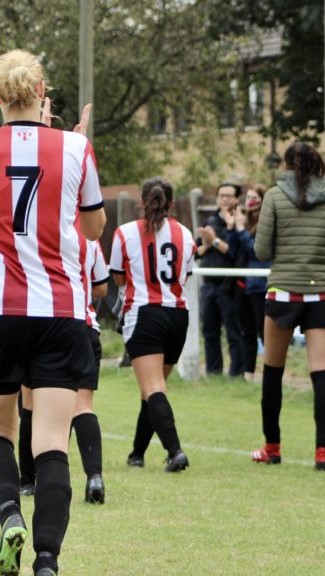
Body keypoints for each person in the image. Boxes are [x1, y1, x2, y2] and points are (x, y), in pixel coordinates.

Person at [0, 49, 105, 576]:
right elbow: (92, 230)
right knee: (50, 441)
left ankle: (8, 517)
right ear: (44, 93)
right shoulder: (76, 146)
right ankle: (46, 559)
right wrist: (72, 146)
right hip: (60, 311)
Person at [251, 142, 325, 471]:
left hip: (283, 292)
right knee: (320, 374)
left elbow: (261, 251)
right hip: (319, 295)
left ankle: (272, 448)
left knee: (273, 372)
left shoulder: (274, 197)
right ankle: (322, 454)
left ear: (288, 165)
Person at [112, 177, 195, 474]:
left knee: (153, 387)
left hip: (144, 312)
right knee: (153, 388)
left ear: (141, 202)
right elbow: (185, 276)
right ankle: (137, 452)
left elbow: (119, 279)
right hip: (177, 315)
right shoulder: (185, 234)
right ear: (171, 203)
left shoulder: (125, 233)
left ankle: (175, 451)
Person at [19, 237, 109, 504]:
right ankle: (94, 476)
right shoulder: (88, 238)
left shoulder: (36, 231)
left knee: (30, 405)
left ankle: (27, 481)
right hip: (83, 326)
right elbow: (102, 287)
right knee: (83, 406)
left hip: (41, 323)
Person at [195, 183, 245, 377]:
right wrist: (208, 243)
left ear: (236, 200)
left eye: (229, 196)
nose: (224, 199)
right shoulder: (210, 221)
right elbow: (197, 252)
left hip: (229, 286)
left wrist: (214, 240)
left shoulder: (239, 222)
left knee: (233, 333)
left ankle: (237, 373)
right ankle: (213, 373)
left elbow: (233, 252)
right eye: (221, 195)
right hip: (208, 285)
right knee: (209, 333)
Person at [228, 185, 269, 381]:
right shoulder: (243, 222)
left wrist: (241, 229)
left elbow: (256, 251)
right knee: (247, 332)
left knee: (264, 332)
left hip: (260, 285)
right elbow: (233, 251)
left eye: (254, 198)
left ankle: (271, 373)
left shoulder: (266, 224)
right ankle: (248, 374)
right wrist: (232, 227)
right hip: (243, 285)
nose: (249, 201)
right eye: (248, 197)